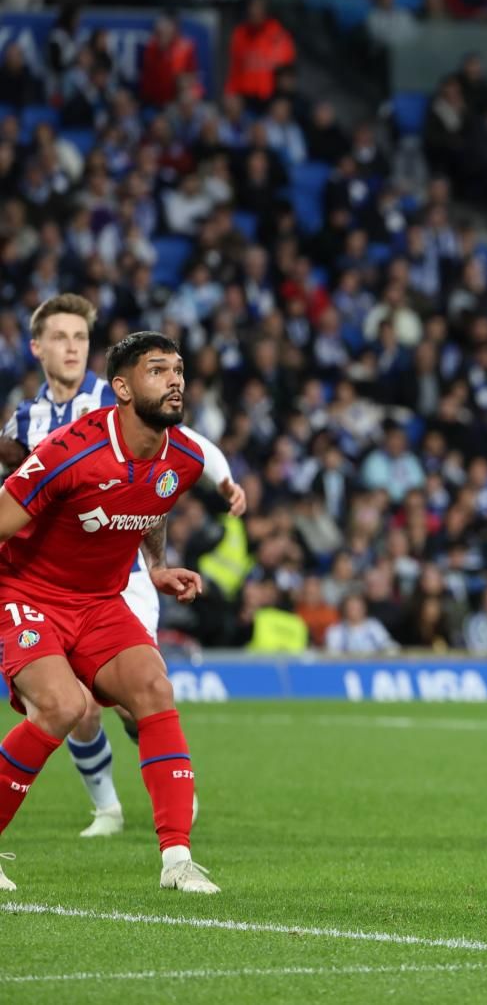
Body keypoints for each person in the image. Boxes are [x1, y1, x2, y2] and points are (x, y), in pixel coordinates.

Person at [0, 295, 245, 839]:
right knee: (69, 707)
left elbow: (158, 486)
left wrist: (156, 565)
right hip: (35, 581)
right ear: (37, 348)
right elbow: (13, 501)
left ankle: (174, 831)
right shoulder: (28, 422)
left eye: (80, 338)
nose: (71, 347)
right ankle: (107, 807)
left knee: (145, 697)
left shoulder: (144, 417)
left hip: (117, 573)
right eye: (60, 337)